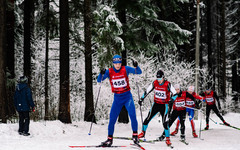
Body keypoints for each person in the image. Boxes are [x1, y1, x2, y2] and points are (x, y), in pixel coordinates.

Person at [97, 55, 142, 147]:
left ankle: (135, 136)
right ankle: (109, 139)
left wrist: (136, 66)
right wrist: (101, 73)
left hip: (127, 97)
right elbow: (99, 80)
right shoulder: (109, 71)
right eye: (116, 63)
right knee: (112, 118)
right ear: (113, 63)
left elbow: (139, 72)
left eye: (119, 63)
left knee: (133, 115)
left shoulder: (125, 69)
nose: (117, 65)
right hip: (117, 98)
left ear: (121, 63)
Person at [138, 70, 177, 146]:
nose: (159, 80)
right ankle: (143, 132)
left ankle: (168, 138)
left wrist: (172, 100)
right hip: (156, 104)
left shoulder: (167, 84)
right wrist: (142, 99)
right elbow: (147, 91)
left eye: (160, 79)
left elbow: (175, 93)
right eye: (157, 79)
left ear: (163, 77)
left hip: (164, 105)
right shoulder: (155, 83)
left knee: (165, 123)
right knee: (147, 118)